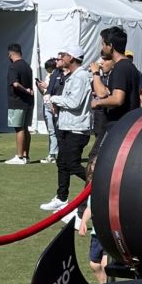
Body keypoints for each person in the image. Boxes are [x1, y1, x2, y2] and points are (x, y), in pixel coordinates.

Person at [38, 46, 92, 212]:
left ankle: (97, 186)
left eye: (64, 55)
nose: (60, 57)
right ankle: (62, 197)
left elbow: (74, 102)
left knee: (72, 164)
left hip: (77, 128)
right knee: (62, 163)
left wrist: (53, 98)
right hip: (67, 125)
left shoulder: (81, 76)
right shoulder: (72, 76)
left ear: (73, 57)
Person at [90, 27, 141, 147]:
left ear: (110, 46)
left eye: (103, 44)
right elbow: (104, 92)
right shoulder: (128, 66)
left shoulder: (121, 68)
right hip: (124, 125)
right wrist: (96, 74)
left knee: (95, 162)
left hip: (118, 126)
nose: (102, 48)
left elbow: (118, 99)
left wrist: (97, 103)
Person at [78, 157, 107, 284]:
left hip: (108, 233)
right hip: (96, 234)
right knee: (94, 264)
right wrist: (83, 222)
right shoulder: (93, 188)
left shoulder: (110, 186)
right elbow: (90, 207)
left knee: (106, 264)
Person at [5, 43, 34, 164]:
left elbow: (15, 84)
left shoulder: (14, 67)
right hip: (28, 102)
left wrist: (25, 90)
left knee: (19, 128)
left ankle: (20, 156)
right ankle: (26, 155)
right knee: (25, 128)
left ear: (11, 54)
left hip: (18, 101)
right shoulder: (27, 66)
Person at [38, 57, 65, 163]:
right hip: (47, 103)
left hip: (54, 104)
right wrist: (41, 87)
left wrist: (46, 85)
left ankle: (54, 154)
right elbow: (46, 92)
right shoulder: (50, 75)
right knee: (51, 131)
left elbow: (54, 89)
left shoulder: (59, 75)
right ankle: (52, 153)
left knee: (55, 130)